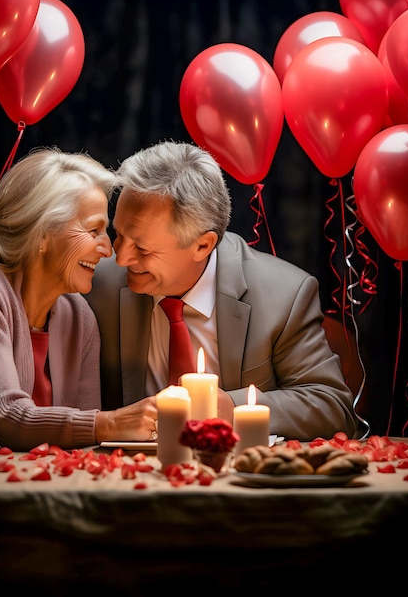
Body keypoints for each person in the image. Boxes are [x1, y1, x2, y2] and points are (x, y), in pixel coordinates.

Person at [0, 147, 159, 593]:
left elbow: (78, 451)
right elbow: (9, 416)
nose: (108, 251)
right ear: (44, 233)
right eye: (95, 231)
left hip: (30, 513)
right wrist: (111, 423)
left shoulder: (78, 316)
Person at [85, 140, 358, 441]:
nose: (120, 258)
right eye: (119, 234)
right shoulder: (96, 284)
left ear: (203, 245)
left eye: (143, 248)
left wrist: (231, 407)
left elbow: (333, 407)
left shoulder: (285, 295)